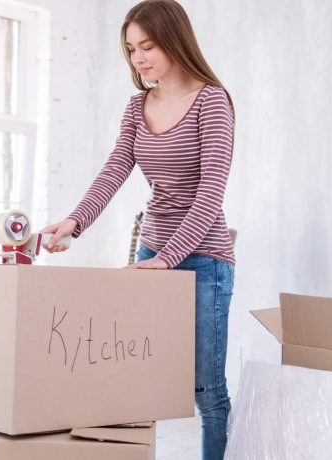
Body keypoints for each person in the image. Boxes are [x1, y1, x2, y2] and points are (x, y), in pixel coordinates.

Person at [39, 1, 235, 459]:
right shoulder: (136, 106)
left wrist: (166, 260)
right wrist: (75, 221)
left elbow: (210, 195)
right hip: (152, 253)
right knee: (137, 377)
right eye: (131, 49)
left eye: (147, 46)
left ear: (175, 40)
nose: (138, 58)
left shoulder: (212, 101)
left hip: (203, 260)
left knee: (207, 389)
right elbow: (114, 170)